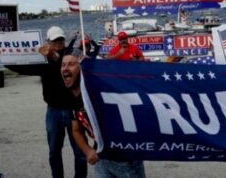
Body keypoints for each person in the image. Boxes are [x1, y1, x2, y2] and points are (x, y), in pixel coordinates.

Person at [61, 49, 146, 178]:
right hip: (101, 157)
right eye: (63, 65)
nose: (65, 68)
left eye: (71, 64)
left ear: (82, 67)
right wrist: (88, 150)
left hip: (125, 158)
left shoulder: (98, 91)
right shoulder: (71, 95)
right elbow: (76, 129)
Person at [37, 26, 87, 178]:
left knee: (80, 151)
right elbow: (23, 67)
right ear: (48, 42)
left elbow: (77, 65)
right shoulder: (42, 59)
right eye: (54, 40)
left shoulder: (71, 54)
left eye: (60, 39)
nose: (58, 42)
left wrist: (55, 57)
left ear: (64, 40)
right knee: (54, 151)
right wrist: (1, 57)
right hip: (53, 110)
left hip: (74, 109)